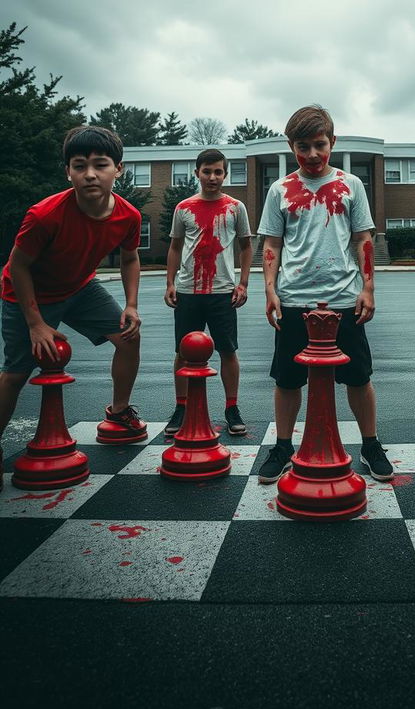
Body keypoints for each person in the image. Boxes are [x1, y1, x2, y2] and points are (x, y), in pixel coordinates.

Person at [0, 125, 147, 489]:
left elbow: (130, 259)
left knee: (129, 337)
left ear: (119, 169)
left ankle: (119, 411)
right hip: (28, 293)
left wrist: (131, 304)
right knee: (17, 373)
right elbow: (18, 266)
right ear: (68, 172)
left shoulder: (128, 215)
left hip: (80, 287)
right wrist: (35, 324)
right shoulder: (45, 214)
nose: (90, 174)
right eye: (79, 166)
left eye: (100, 165)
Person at [256, 104, 393, 483]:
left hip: (343, 298)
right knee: (287, 380)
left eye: (320, 144)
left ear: (332, 141)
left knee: (358, 377)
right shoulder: (279, 190)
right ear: (291, 146)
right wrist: (269, 290)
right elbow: (272, 242)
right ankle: (283, 446)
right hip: (294, 299)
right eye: (303, 146)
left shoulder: (352, 185)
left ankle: (370, 444)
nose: (312, 154)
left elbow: (363, 238)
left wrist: (368, 288)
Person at [163, 148, 252, 437]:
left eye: (218, 172)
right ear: (197, 173)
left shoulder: (235, 207)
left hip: (223, 291)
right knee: (182, 351)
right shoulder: (184, 208)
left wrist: (243, 283)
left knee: (228, 350)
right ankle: (181, 406)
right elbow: (175, 247)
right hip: (188, 291)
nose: (212, 177)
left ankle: (232, 408)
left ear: (225, 174)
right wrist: (170, 283)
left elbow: (246, 246)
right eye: (207, 171)